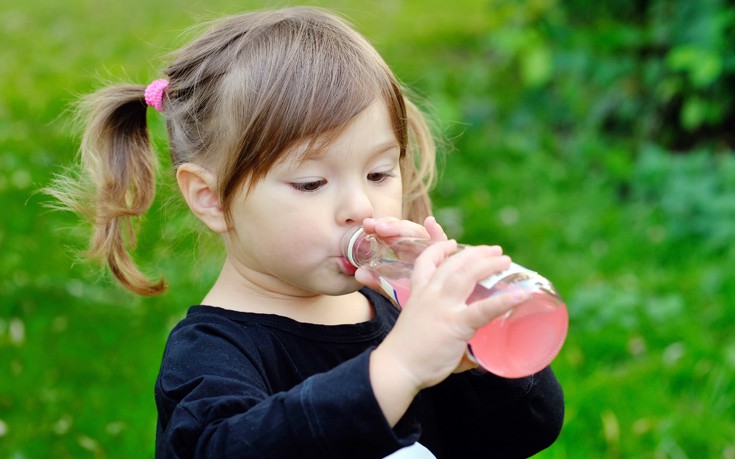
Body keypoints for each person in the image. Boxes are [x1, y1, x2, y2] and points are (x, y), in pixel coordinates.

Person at [52, 6, 564, 458]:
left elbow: (521, 435)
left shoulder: (397, 314)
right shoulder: (211, 356)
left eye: (380, 173)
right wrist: (397, 369)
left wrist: (479, 352)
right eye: (311, 182)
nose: (359, 207)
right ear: (211, 198)